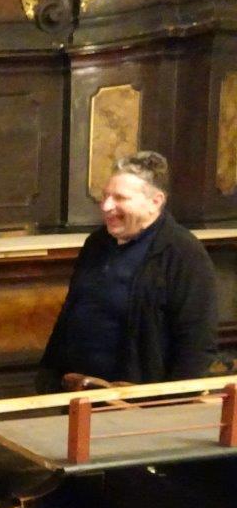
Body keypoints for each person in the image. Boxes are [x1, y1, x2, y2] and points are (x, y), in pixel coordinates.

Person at [39, 151, 218, 391]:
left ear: (155, 201)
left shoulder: (183, 253)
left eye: (120, 198)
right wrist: (49, 374)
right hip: (77, 391)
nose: (106, 206)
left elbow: (196, 341)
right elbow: (71, 312)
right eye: (105, 196)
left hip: (139, 398)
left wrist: (173, 401)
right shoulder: (96, 243)